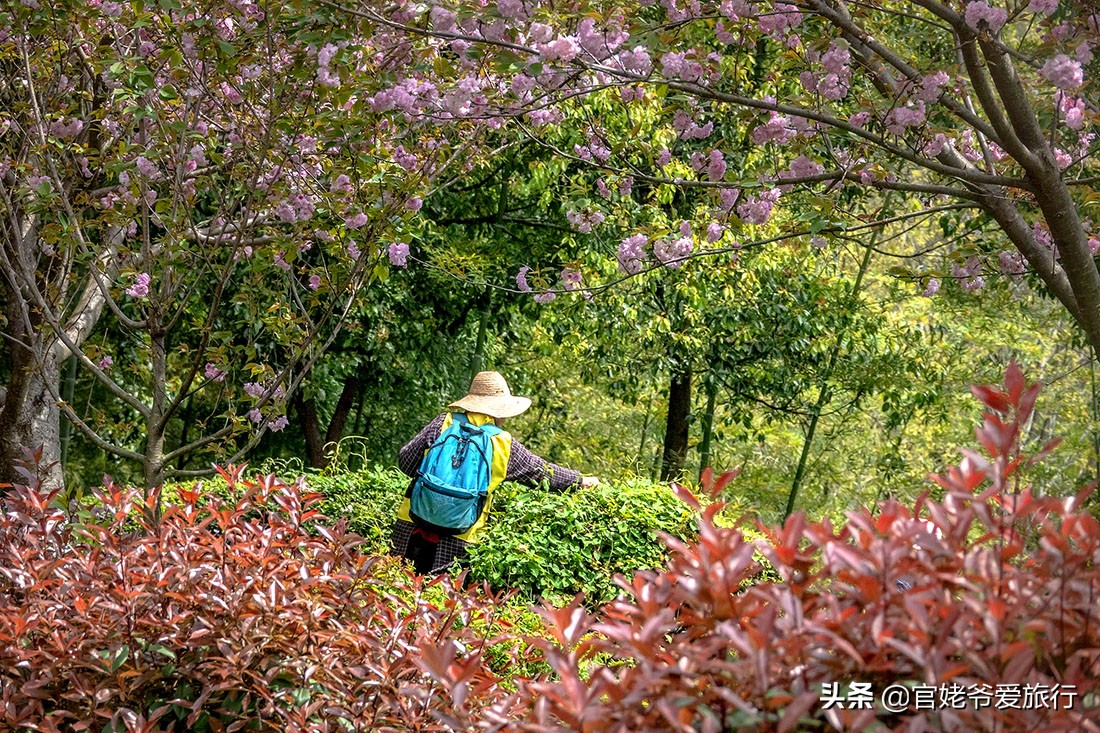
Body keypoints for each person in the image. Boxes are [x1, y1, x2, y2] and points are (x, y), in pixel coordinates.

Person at [392, 370, 599, 574]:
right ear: (500, 411)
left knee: (395, 595)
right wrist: (580, 481)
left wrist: (434, 489)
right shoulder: (502, 443)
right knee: (442, 601)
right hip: (460, 537)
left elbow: (406, 461)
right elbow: (542, 472)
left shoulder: (443, 423)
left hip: (410, 524)